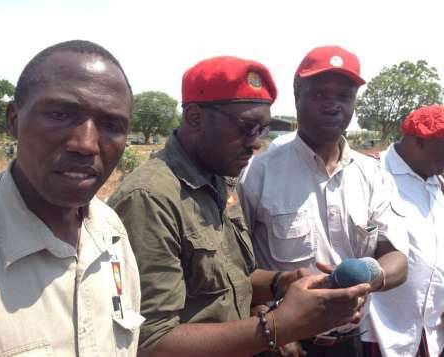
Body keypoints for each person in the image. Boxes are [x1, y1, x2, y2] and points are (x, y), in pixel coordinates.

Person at [108, 56, 370, 357]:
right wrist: (278, 326)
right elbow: (150, 342)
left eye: (262, 130)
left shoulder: (222, 180)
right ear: (195, 118)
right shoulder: (150, 198)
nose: (256, 142)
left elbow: (231, 281)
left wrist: (280, 282)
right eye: (247, 128)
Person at [0, 40, 142, 356]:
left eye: (112, 125)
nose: (86, 144)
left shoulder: (111, 232)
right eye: (60, 114)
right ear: (14, 121)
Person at [239, 45, 408, 357]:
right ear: (297, 97)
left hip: (349, 342)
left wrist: (367, 277)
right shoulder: (257, 172)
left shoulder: (373, 175)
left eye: (343, 97)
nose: (332, 106)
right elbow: (234, 270)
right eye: (319, 95)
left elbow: (396, 260)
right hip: (279, 344)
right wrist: (266, 319)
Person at [361, 105, 444, 357]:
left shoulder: (438, 183)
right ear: (420, 142)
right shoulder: (370, 173)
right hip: (379, 331)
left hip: (429, 333)